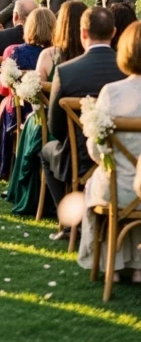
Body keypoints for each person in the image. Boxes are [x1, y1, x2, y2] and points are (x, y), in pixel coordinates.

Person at [40, 7, 126, 239]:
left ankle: (70, 225)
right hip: (126, 159)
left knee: (47, 152)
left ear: (83, 33)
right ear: (114, 32)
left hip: (80, 160)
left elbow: (56, 128)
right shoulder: (128, 71)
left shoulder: (67, 71)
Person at [6, 0, 86, 216]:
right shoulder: (90, 60)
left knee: (34, 122)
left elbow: (37, 99)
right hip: (86, 127)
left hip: (52, 127)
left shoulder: (49, 56)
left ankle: (38, 198)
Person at [78, 21, 141, 280]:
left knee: (96, 181)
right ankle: (138, 265)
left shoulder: (112, 92)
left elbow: (96, 149)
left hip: (117, 191)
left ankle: (110, 264)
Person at [0, 7, 56, 182]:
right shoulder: (56, 54)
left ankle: (5, 169)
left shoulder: (18, 52)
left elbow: (3, 88)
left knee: (8, 107)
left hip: (22, 111)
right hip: (51, 111)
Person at [0, 0, 38, 148]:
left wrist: (0, 83)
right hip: (39, 95)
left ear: (15, 16)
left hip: (3, 93)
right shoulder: (46, 39)